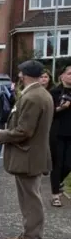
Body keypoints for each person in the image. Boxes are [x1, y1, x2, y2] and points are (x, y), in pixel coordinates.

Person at [0, 60, 53, 239]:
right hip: (32, 155)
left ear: (25, 74)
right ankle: (28, 235)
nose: (18, 76)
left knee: (31, 201)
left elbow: (25, 130)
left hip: (29, 156)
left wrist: (3, 135)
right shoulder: (39, 93)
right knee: (28, 198)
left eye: (20, 73)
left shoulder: (34, 97)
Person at [48, 64, 71, 208]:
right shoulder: (54, 92)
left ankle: (59, 182)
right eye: (69, 73)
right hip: (57, 133)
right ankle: (55, 195)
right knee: (58, 164)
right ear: (61, 75)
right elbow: (49, 114)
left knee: (68, 164)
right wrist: (61, 108)